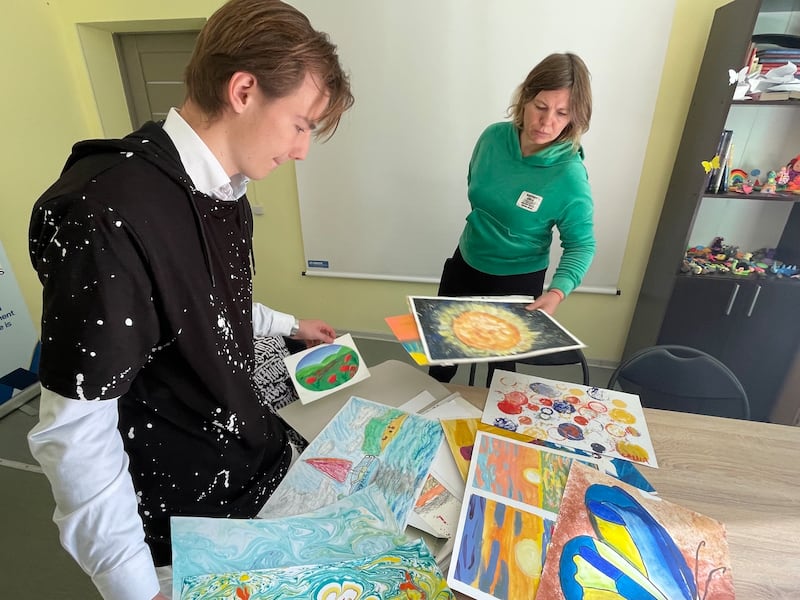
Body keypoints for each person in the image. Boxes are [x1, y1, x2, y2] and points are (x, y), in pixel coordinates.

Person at [26, 1, 354, 599]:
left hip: (251, 463)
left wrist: (288, 324)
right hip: (181, 521)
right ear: (245, 90)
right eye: (301, 124)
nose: (303, 150)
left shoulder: (225, 187)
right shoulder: (106, 213)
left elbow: (203, 305)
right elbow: (76, 429)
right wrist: (134, 587)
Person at [429, 52, 595, 385]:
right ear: (524, 99)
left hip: (516, 281)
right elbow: (476, 190)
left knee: (501, 372)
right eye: (540, 106)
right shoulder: (493, 138)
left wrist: (557, 292)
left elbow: (582, 245)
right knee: (442, 357)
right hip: (467, 262)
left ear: (574, 119)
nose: (547, 123)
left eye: (562, 113)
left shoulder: (569, 176)